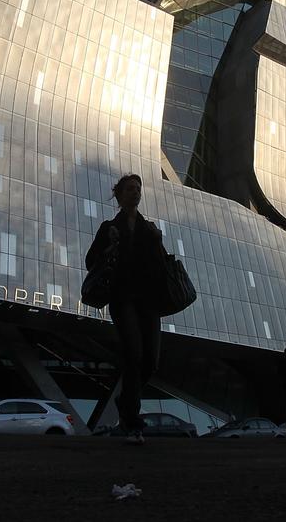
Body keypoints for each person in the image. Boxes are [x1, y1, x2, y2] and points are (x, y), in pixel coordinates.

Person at [85, 173, 166, 446]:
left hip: (149, 301)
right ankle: (132, 422)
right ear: (119, 195)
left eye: (138, 189)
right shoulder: (109, 227)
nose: (135, 193)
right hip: (122, 300)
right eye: (130, 189)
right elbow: (90, 262)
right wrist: (109, 244)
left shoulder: (150, 228)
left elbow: (161, 266)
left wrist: (157, 241)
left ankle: (124, 400)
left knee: (150, 362)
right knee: (134, 355)